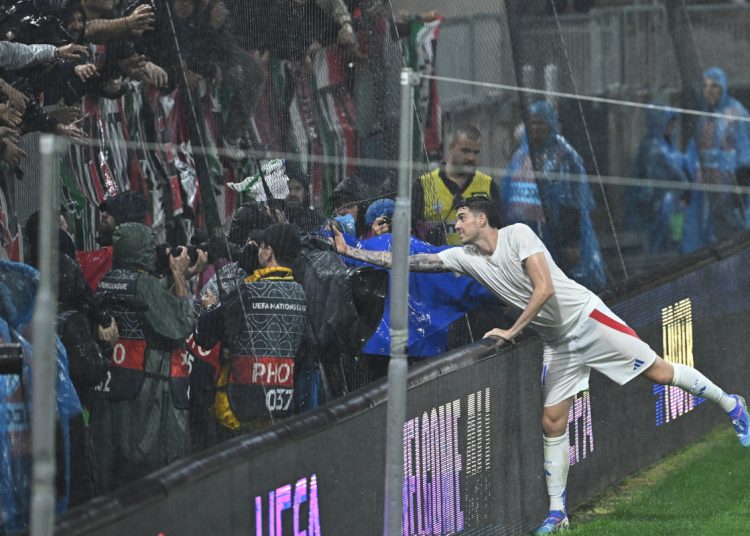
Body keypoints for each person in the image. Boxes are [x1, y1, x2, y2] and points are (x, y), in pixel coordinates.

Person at [330, 195, 749, 534]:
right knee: (551, 422)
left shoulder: (518, 234)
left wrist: (512, 332)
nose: (455, 225)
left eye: (461, 218)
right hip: (558, 341)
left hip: (587, 320)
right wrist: (353, 251)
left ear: (482, 219)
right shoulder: (465, 258)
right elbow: (413, 263)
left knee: (659, 371)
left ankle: (732, 405)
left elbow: (545, 288)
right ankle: (557, 513)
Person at [89, 222, 196, 492]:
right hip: (146, 405)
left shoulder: (106, 281)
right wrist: (179, 275)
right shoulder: (144, 285)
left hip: (111, 395)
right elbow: (180, 325)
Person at [195, 223, 308, 433]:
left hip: (239, 409)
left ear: (268, 252)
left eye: (261, 247)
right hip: (283, 406)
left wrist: (210, 308)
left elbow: (205, 336)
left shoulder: (247, 292)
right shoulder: (301, 293)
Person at [502, 101, 606, 290]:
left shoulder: (564, 155)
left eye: (540, 123)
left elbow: (572, 200)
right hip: (526, 236)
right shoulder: (520, 156)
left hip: (555, 235)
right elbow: (508, 194)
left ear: (551, 124)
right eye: (532, 123)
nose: (535, 128)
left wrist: (570, 242)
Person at [690, 66, 750, 246]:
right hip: (708, 189)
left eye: (714, 86)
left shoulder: (736, 113)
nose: (709, 90)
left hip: (731, 188)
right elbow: (695, 150)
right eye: (706, 86)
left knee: (736, 236)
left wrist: (740, 184)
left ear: (723, 88)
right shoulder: (703, 116)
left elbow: (744, 149)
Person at [414, 123, 501, 246]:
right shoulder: (424, 184)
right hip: (435, 261)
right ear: (451, 147)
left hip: (475, 262)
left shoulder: (488, 185)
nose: (471, 157)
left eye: (476, 152)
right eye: (465, 151)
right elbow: (411, 230)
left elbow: (500, 230)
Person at [629, 107, 690, 252]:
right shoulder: (654, 147)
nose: (672, 128)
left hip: (669, 202)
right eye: (669, 124)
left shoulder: (666, 143)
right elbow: (670, 170)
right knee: (660, 240)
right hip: (657, 202)